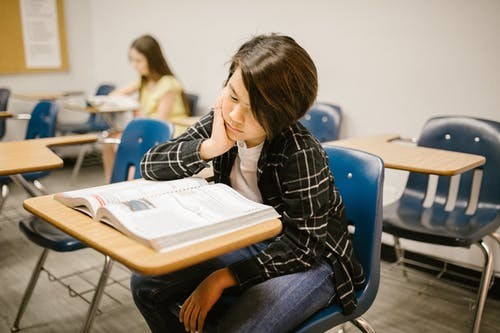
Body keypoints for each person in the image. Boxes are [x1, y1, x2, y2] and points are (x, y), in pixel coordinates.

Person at [131, 33, 365, 333]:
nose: (235, 115)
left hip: (314, 261)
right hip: (248, 242)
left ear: (284, 114)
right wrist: (210, 147)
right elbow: (151, 164)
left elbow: (303, 247)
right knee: (145, 285)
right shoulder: (223, 119)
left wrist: (222, 277)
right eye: (232, 95)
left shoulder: (300, 151)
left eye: (255, 108)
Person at [102, 34, 189, 182]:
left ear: (152, 59)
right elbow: (113, 95)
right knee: (108, 139)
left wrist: (138, 112)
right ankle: (112, 183)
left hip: (169, 130)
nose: (134, 65)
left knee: (123, 144)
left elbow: (160, 121)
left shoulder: (168, 83)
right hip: (146, 127)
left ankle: (130, 184)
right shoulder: (143, 80)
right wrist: (132, 103)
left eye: (139, 60)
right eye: (132, 60)